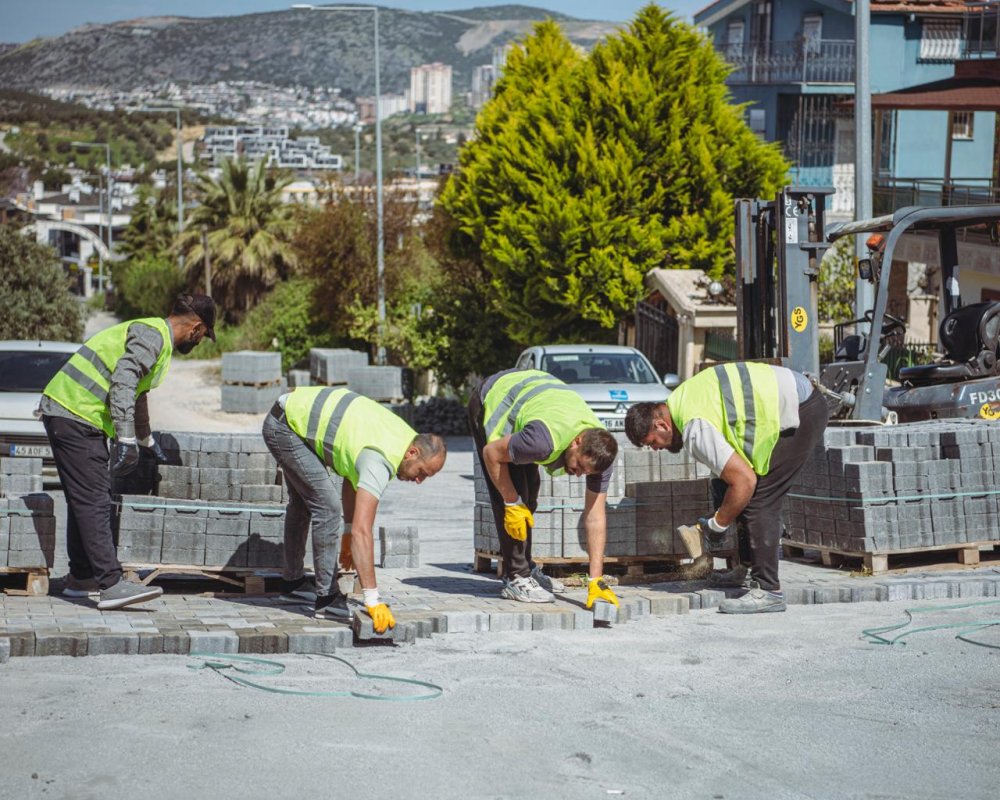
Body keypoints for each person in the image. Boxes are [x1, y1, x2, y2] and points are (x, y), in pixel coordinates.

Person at [41, 293, 217, 610]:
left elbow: (137, 394)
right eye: (204, 334)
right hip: (76, 412)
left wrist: (145, 439)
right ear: (196, 327)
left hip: (71, 413)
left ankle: (81, 578)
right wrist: (125, 438)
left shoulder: (154, 336)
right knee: (95, 500)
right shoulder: (153, 336)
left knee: (85, 498)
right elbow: (123, 382)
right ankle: (110, 584)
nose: (201, 340)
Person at [624, 362, 828, 614]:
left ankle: (769, 591)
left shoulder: (694, 426)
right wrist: (723, 502)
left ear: (661, 425)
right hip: (789, 401)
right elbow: (725, 474)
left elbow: (745, 481)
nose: (656, 449)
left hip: (800, 410)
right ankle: (746, 568)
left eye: (653, 442)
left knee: (760, 498)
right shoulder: (680, 401)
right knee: (725, 486)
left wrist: (717, 524)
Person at [262, 386, 447, 633]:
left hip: (290, 417)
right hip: (285, 427)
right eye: (422, 472)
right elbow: (364, 531)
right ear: (413, 453)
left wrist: (347, 531)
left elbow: (352, 477)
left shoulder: (404, 439)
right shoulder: (381, 458)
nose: (419, 480)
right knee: (327, 507)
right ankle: (327, 599)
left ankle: (293, 584)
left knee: (304, 503)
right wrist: (372, 599)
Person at [468, 368, 621, 608]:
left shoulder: (601, 457)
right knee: (513, 498)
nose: (579, 474)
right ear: (577, 442)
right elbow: (491, 454)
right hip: (493, 396)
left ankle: (526, 568)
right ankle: (516, 578)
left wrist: (596, 579)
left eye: (585, 472)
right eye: (579, 466)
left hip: (535, 407)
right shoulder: (542, 442)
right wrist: (511, 501)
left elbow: (595, 516)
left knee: (530, 496)